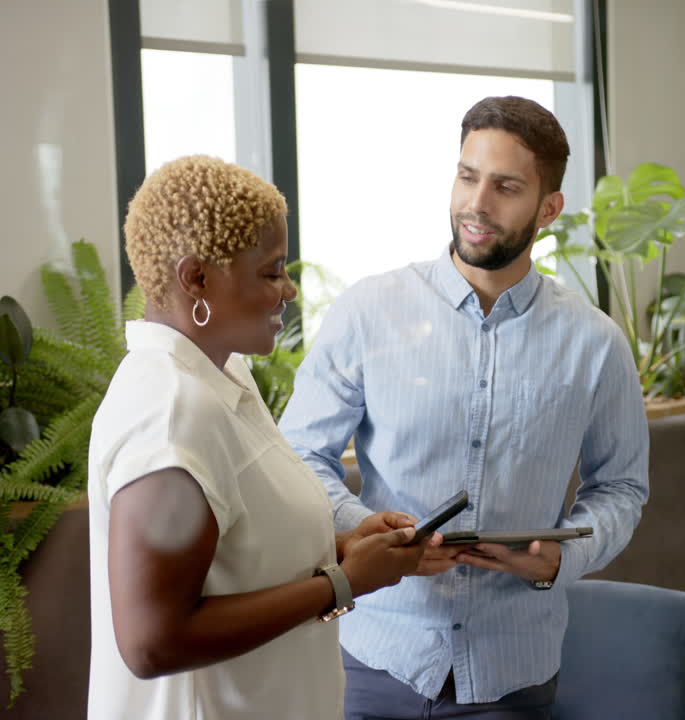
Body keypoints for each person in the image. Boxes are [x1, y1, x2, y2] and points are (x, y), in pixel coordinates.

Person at [279, 96, 650, 719]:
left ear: (549, 209)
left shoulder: (596, 344)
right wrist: (369, 530)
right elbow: (297, 456)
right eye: (467, 176)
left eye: (506, 186)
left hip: (512, 673)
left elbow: (622, 487)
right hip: (372, 659)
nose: (477, 204)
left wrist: (566, 557)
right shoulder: (368, 312)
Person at [87, 155, 443, 720]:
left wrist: (345, 548)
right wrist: (342, 583)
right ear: (196, 278)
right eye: (272, 271)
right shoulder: (171, 414)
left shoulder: (224, 379)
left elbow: (236, 555)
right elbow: (153, 640)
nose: (291, 289)